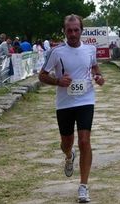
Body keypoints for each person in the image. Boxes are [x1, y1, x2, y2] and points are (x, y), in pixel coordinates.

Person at [38, 14, 105, 203]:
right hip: (65, 103)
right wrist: (58, 81)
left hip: (86, 100)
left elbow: (95, 68)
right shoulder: (57, 52)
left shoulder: (90, 49)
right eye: (70, 30)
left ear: (81, 30)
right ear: (65, 31)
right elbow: (42, 75)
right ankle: (69, 155)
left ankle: (83, 186)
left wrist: (99, 77)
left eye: (76, 30)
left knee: (84, 141)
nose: (73, 34)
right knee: (67, 142)